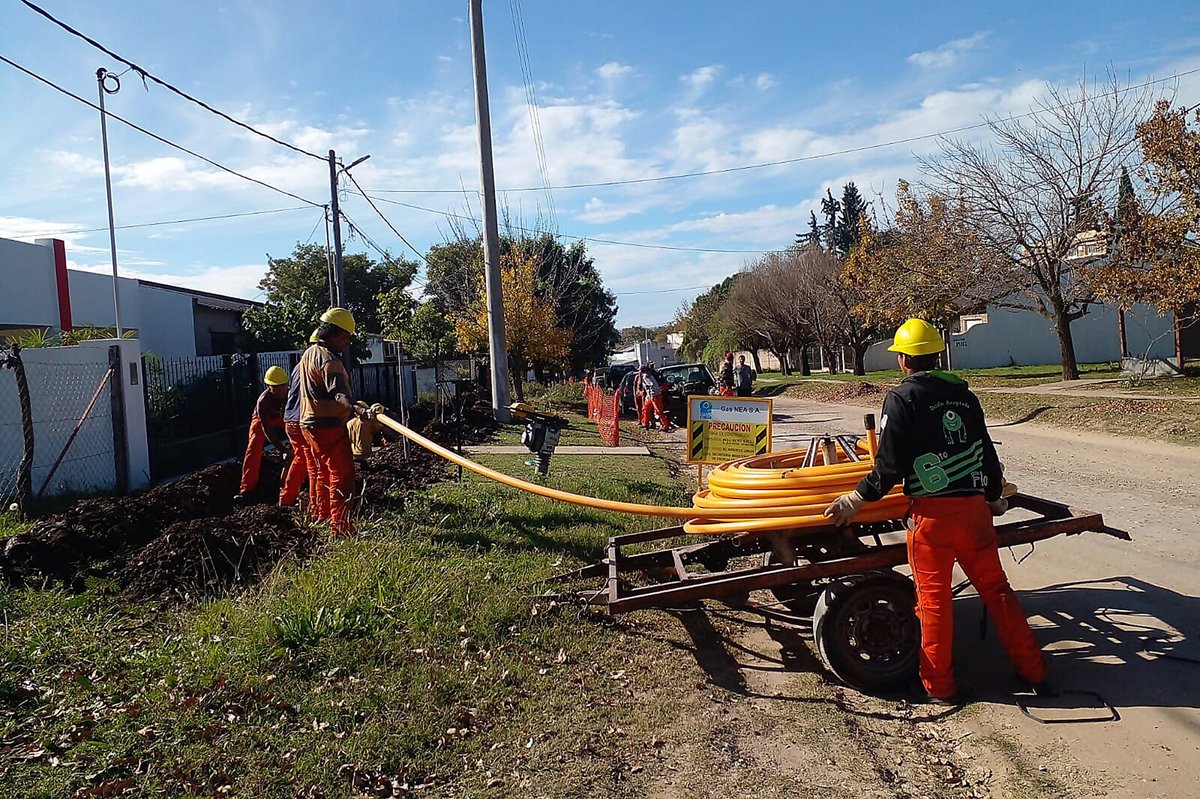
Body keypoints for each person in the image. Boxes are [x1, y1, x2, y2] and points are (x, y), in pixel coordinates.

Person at [823, 318, 1046, 703]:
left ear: (904, 360)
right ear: (937, 356)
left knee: (934, 603)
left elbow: (888, 468)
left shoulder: (902, 399)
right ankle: (1035, 672)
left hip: (932, 520)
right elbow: (985, 453)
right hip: (975, 513)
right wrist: (995, 497)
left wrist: (855, 499)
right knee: (998, 592)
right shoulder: (964, 396)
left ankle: (940, 688)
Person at [299, 308, 372, 536]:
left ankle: (322, 516)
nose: (347, 343)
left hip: (308, 424)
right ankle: (341, 527)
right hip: (327, 426)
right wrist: (356, 407)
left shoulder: (309, 354)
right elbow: (339, 393)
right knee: (343, 476)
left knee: (323, 472)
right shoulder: (329, 360)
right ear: (336, 333)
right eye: (346, 337)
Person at [235, 365, 289, 502]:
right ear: (269, 387)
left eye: (282, 386)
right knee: (253, 448)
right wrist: (282, 450)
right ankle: (247, 490)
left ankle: (302, 477)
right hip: (263, 420)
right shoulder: (263, 402)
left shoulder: (292, 395)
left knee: (301, 441)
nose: (280, 390)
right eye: (275, 387)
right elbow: (267, 429)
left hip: (283, 417)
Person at [278, 333, 318, 513]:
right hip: (303, 421)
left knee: (300, 459)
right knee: (314, 464)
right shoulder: (314, 366)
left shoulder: (297, 367)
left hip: (290, 421)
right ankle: (316, 508)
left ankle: (286, 498)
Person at [638, 363, 673, 432]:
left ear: (641, 371)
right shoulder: (649, 375)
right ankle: (645, 423)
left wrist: (652, 395)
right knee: (646, 408)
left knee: (659, 411)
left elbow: (652, 385)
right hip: (653, 395)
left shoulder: (645, 376)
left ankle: (666, 426)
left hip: (655, 395)